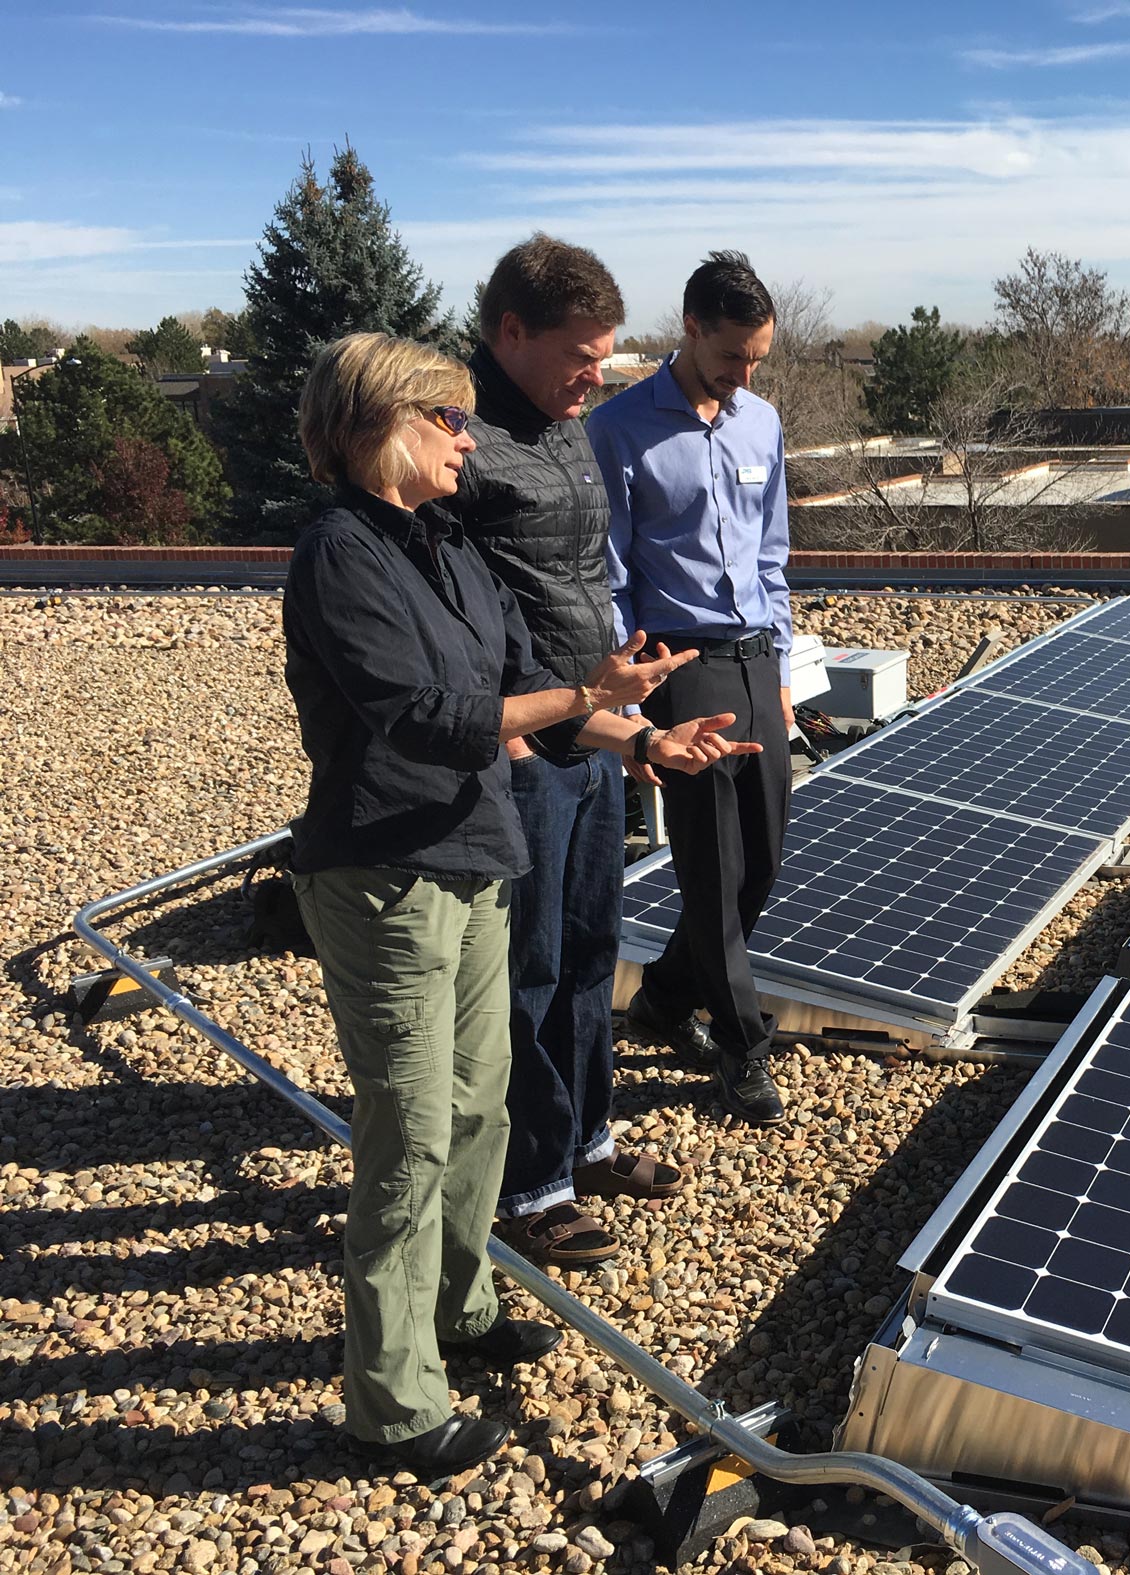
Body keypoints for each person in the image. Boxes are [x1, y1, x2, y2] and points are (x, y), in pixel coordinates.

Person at [284, 332, 758, 1474]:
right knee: (405, 1135)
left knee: (481, 1107)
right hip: (385, 875)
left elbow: (517, 700)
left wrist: (644, 733)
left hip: (472, 861)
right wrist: (584, 694)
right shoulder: (340, 554)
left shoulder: (449, 547)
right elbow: (431, 719)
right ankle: (393, 1405)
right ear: (373, 428)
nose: (464, 437)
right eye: (444, 419)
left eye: (462, 419)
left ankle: (460, 1311)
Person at [451, 234, 670, 1269]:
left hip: (589, 731)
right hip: (525, 752)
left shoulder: (562, 424)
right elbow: (471, 621)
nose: (599, 375)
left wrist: (621, 711)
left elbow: (582, 577)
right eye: (583, 353)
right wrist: (559, 717)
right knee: (527, 965)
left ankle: (588, 1138)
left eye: (608, 354)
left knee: (591, 951)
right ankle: (530, 1184)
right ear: (510, 333)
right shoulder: (462, 443)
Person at [588, 251, 793, 1126]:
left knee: (764, 865)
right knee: (712, 872)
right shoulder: (620, 430)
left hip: (755, 661)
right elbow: (609, 576)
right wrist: (630, 708)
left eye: (757, 359)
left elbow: (774, 554)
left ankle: (665, 998)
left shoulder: (761, 424)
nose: (742, 375)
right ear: (691, 328)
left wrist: (780, 671)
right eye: (731, 356)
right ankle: (742, 1046)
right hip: (678, 667)